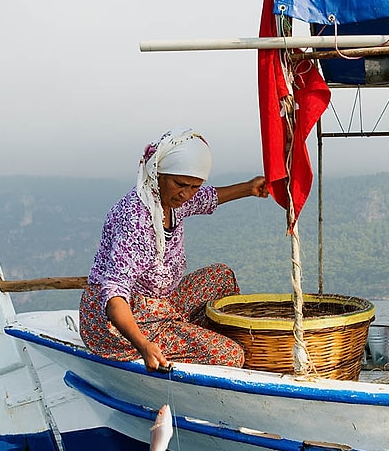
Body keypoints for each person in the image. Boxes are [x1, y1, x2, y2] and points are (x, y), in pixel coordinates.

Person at [79, 127, 268, 371]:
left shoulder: (171, 202)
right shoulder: (136, 220)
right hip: (119, 323)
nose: (186, 195)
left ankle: (184, 334)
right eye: (180, 184)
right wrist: (143, 345)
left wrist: (250, 188)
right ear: (157, 173)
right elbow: (115, 293)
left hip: (159, 303)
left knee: (220, 277)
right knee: (230, 355)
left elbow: (206, 199)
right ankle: (184, 340)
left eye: (194, 187)